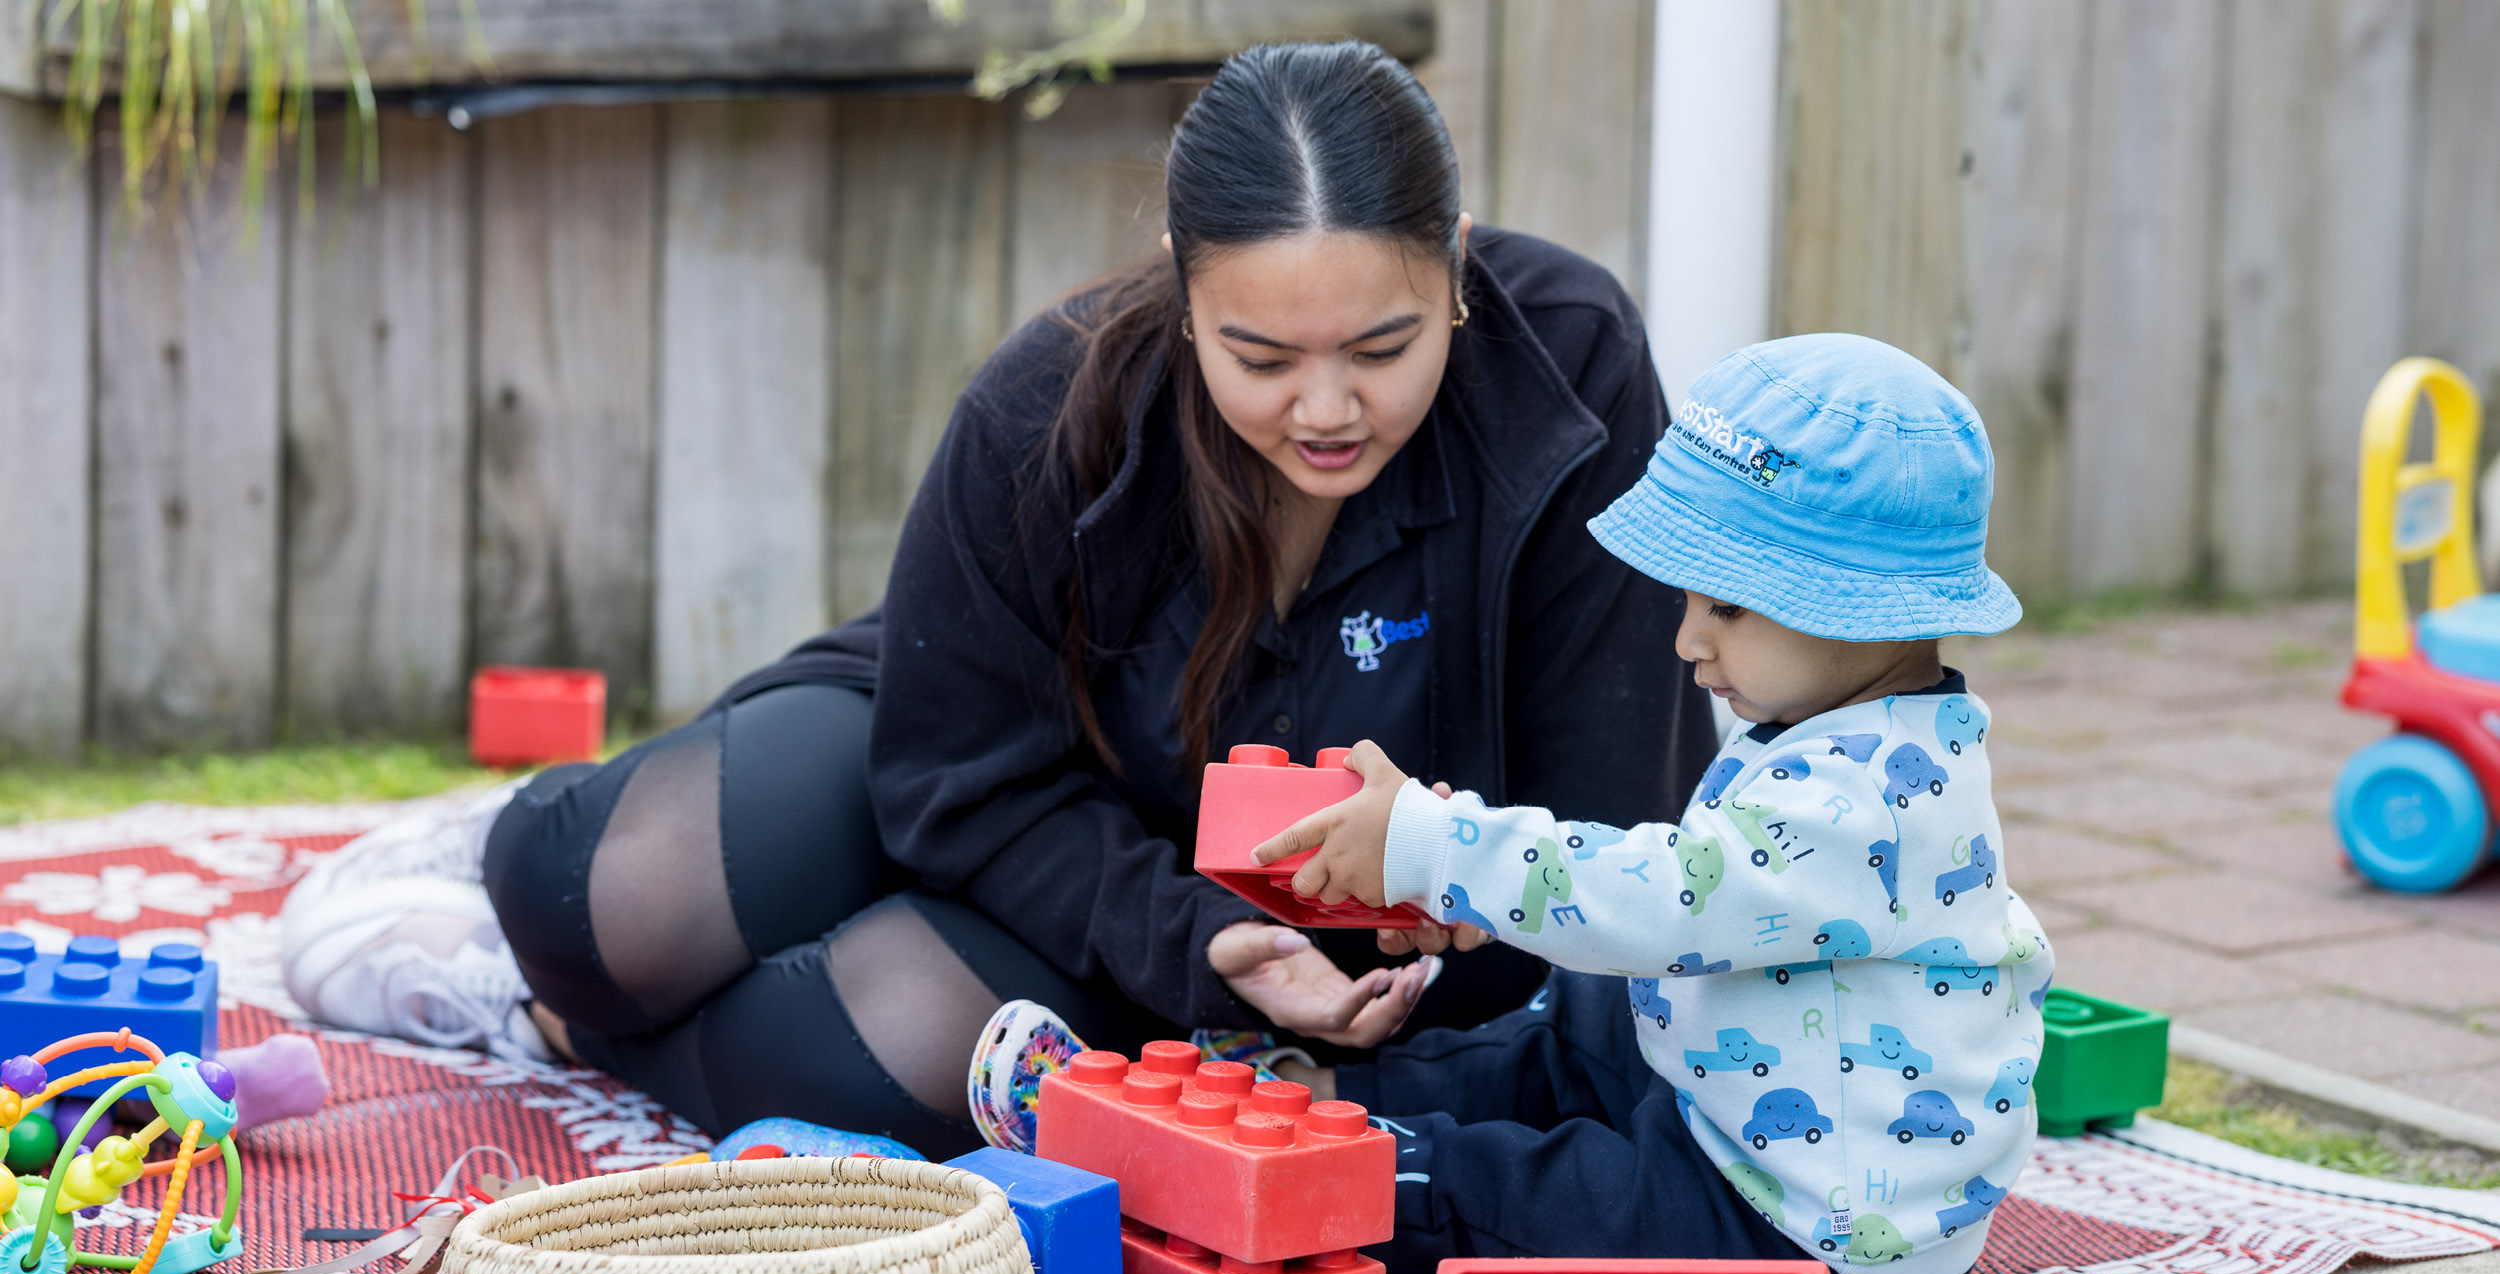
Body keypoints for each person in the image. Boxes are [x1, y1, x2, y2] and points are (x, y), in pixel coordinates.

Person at [276, 40, 1718, 1162]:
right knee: (605, 900)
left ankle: (563, 1034)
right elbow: (958, 766)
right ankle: (525, 936)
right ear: (1181, 281)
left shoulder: (1568, 375)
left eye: (1385, 346)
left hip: (1190, 929)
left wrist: (1336, 930)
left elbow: (1608, 821)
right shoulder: (1059, 398)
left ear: (1457, 262)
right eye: (1261, 355)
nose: (1327, 408)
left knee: (862, 1072)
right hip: (994, 754)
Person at [977, 334, 2050, 1274]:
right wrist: (1489, 876)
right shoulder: (1871, 728)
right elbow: (1698, 906)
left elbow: (1671, 898)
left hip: (1787, 1220)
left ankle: (1258, 1170)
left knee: (1516, 1190)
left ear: (1862, 606)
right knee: (1563, 1030)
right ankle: (1307, 1088)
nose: (1687, 645)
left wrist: (1443, 849)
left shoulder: (1858, 802)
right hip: (1737, 1087)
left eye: (1724, 607)